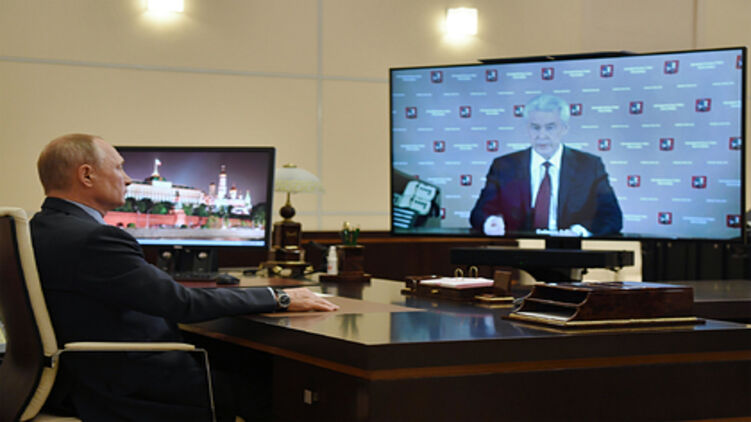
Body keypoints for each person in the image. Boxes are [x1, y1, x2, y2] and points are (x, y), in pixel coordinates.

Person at [30, 133, 339, 421]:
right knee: (283, 384)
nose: (127, 178)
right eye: (119, 167)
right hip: (128, 385)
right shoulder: (95, 239)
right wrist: (280, 297)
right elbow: (182, 303)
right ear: (86, 175)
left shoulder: (38, 228)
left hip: (78, 380)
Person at [469, 95, 622, 237]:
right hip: (518, 249)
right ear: (527, 128)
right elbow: (479, 212)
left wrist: (578, 232)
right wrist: (490, 221)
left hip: (569, 249)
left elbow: (612, 217)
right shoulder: (504, 166)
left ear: (564, 129)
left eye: (550, 127)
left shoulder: (589, 166)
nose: (542, 135)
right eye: (535, 127)